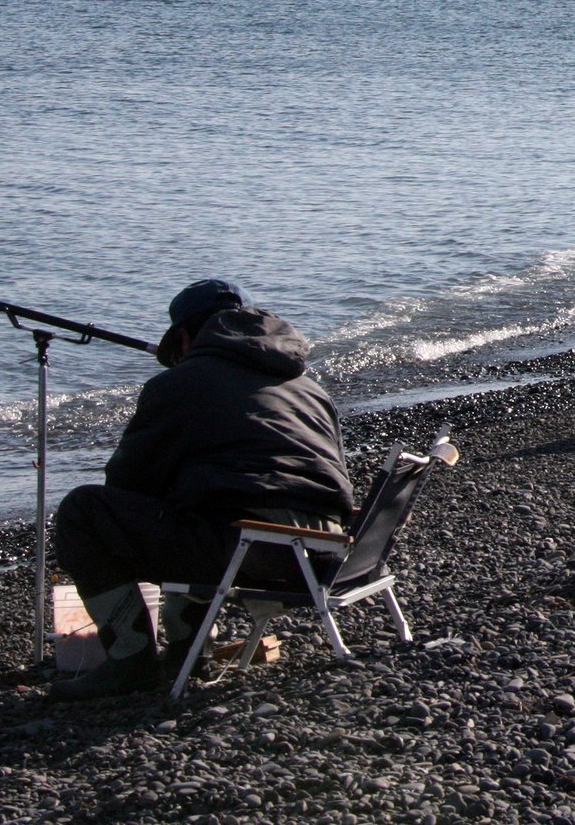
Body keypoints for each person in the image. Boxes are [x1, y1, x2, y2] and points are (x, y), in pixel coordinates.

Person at [46, 279, 353, 700]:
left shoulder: (180, 385)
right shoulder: (309, 387)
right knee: (210, 504)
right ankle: (190, 651)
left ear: (186, 336)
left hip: (259, 552)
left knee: (84, 512)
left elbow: (126, 483)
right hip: (328, 554)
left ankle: (131, 660)